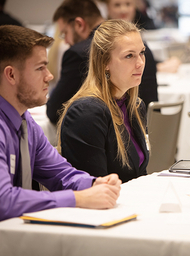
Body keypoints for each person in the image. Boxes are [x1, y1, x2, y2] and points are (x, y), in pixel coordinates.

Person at [0, 25, 121, 255]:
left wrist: (93, 185)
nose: (49, 76)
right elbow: (2, 202)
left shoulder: (25, 122)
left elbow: (61, 174)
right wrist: (78, 198)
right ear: (11, 74)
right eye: (40, 68)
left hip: (15, 239)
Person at [58, 19, 149, 184]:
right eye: (129, 55)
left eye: (141, 53)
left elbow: (140, 174)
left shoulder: (135, 106)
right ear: (105, 62)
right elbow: (94, 187)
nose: (140, 63)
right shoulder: (86, 113)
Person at [46, 0, 104, 125]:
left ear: (79, 25)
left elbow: (55, 111)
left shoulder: (78, 53)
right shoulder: (137, 44)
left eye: (65, 33)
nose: (66, 41)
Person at [106, 0, 159, 106]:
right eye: (117, 5)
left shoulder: (137, 37)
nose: (123, 9)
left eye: (128, 4)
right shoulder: (103, 40)